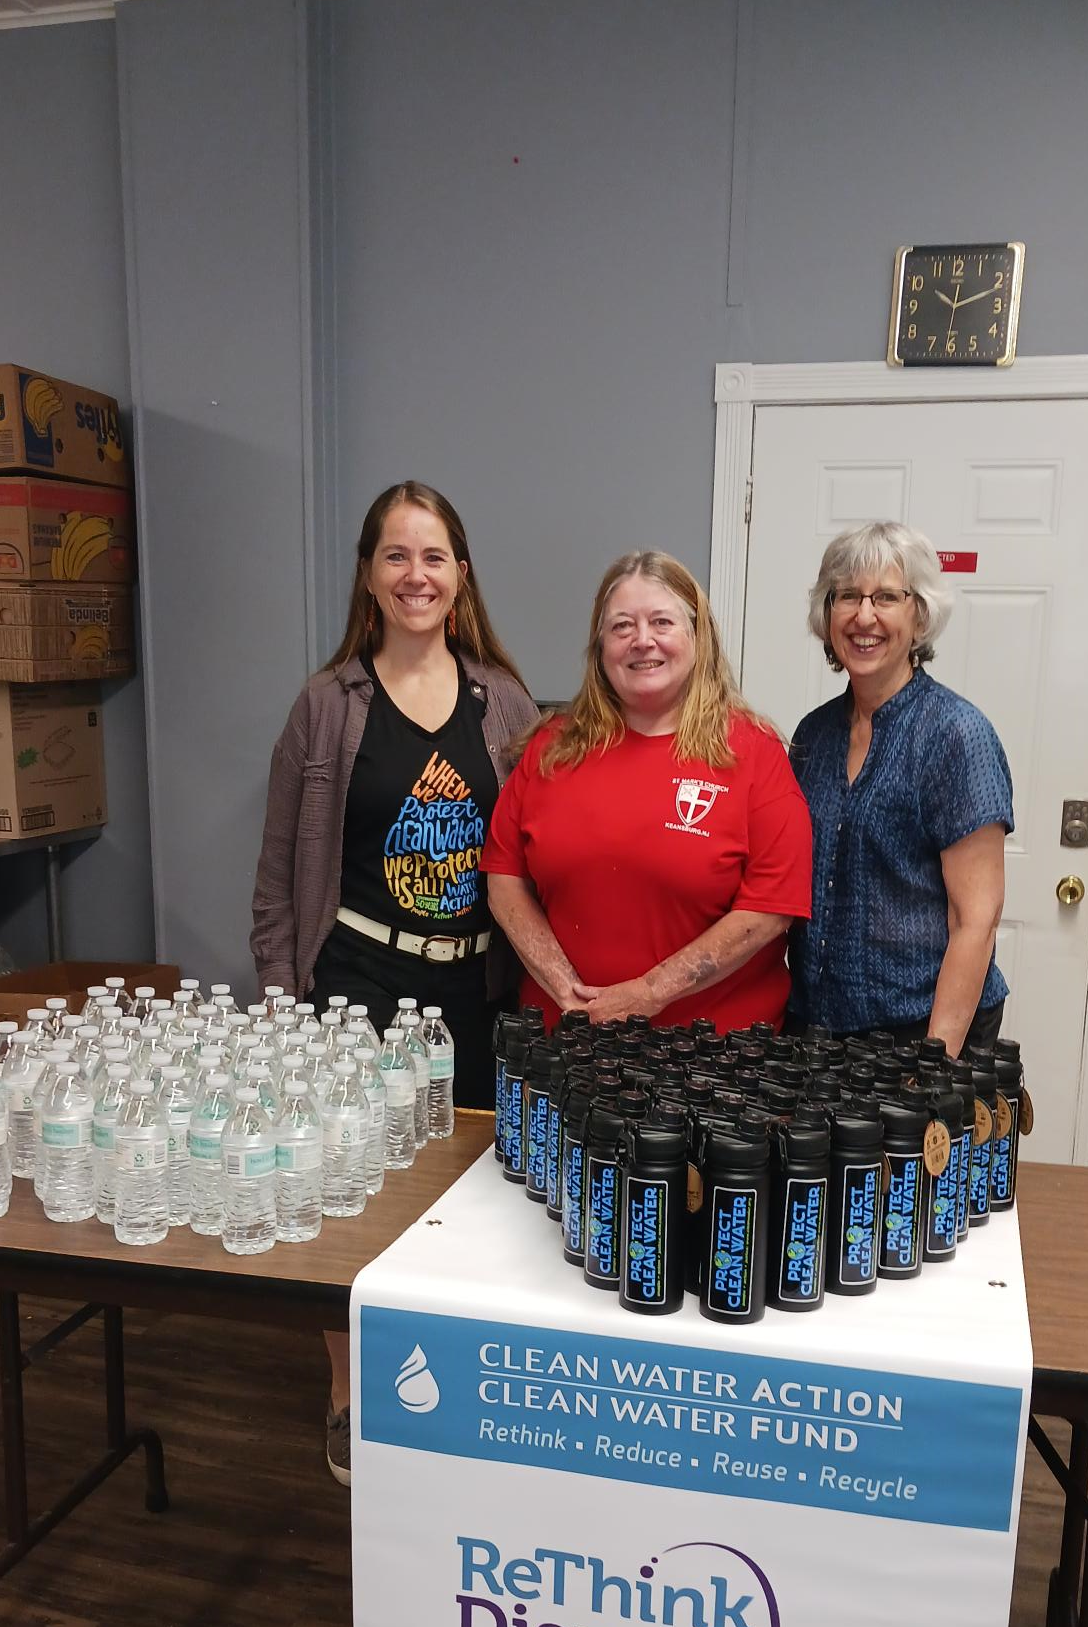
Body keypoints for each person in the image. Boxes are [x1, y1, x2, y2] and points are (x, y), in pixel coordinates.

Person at [250, 480, 536, 1485]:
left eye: (434, 556)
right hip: (356, 988)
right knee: (350, 1205)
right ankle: (348, 1394)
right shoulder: (327, 705)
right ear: (369, 577)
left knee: (471, 1204)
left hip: (475, 994)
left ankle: (450, 1390)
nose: (417, 574)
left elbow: (538, 856)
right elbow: (278, 875)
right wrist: (283, 1009)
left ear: (462, 577)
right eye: (397, 556)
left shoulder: (505, 703)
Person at [483, 550, 812, 1031]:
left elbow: (769, 910)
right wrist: (568, 991)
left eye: (662, 622)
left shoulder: (753, 753)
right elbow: (504, 879)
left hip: (711, 1055)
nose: (642, 640)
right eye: (622, 626)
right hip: (564, 1041)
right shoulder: (551, 748)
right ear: (600, 646)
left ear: (697, 637)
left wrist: (650, 993)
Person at [787, 519, 1014, 1057]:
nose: (864, 616)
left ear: (920, 615)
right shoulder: (813, 735)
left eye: (887, 597)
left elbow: (975, 920)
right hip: (818, 1023)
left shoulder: (956, 734)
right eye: (847, 596)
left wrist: (936, 1062)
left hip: (922, 1027)